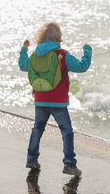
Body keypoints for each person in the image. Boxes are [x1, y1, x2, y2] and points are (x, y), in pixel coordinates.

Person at [18, 21, 92, 176]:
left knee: (37, 129)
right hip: (58, 102)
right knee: (66, 131)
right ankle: (69, 164)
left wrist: (24, 49)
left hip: (40, 100)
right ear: (58, 37)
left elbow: (23, 66)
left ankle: (31, 159)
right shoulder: (63, 55)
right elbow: (82, 67)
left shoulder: (34, 55)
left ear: (41, 37)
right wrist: (87, 51)